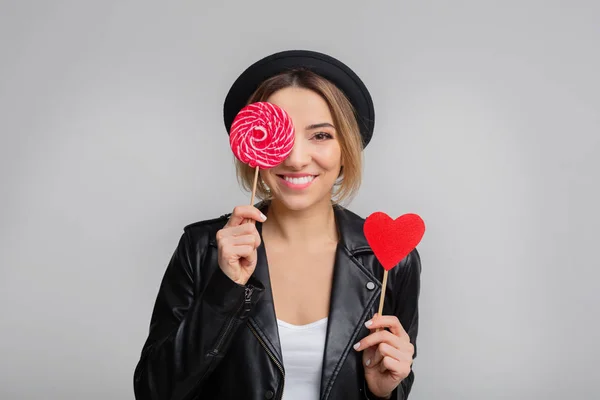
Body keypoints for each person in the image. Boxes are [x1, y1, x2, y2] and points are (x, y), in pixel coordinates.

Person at [133, 50, 422, 400]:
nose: (296, 159)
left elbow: (393, 381)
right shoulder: (202, 248)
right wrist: (225, 289)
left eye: (320, 136)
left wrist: (384, 391)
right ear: (252, 147)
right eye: (279, 136)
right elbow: (154, 391)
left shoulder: (388, 258)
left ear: (346, 147)